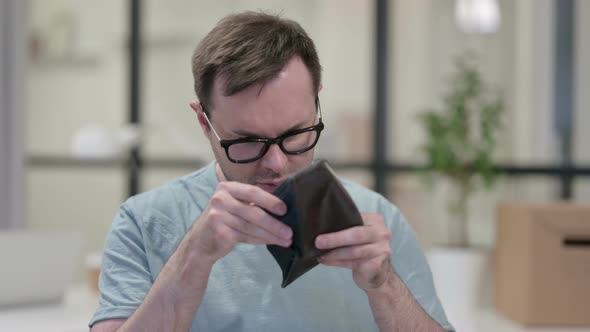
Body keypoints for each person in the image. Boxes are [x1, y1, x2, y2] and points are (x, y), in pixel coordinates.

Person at [89, 11, 454, 332]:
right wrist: (193, 259)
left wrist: (385, 285)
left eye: (296, 134)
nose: (276, 164)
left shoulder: (377, 220)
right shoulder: (142, 223)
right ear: (204, 121)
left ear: (317, 103)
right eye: (247, 141)